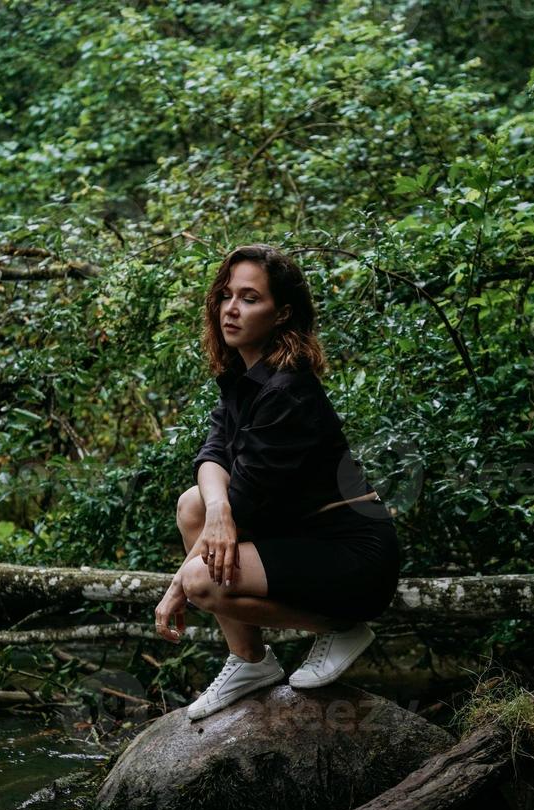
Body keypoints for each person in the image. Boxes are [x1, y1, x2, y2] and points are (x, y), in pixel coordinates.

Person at [155, 244, 401, 721]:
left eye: (250, 298)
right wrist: (219, 510)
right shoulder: (245, 377)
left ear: (281, 312)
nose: (231, 308)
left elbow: (248, 501)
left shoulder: (288, 391)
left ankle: (340, 627)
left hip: (354, 555)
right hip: (304, 541)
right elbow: (211, 457)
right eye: (226, 295)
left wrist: (177, 589)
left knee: (201, 583)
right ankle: (249, 662)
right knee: (195, 505)